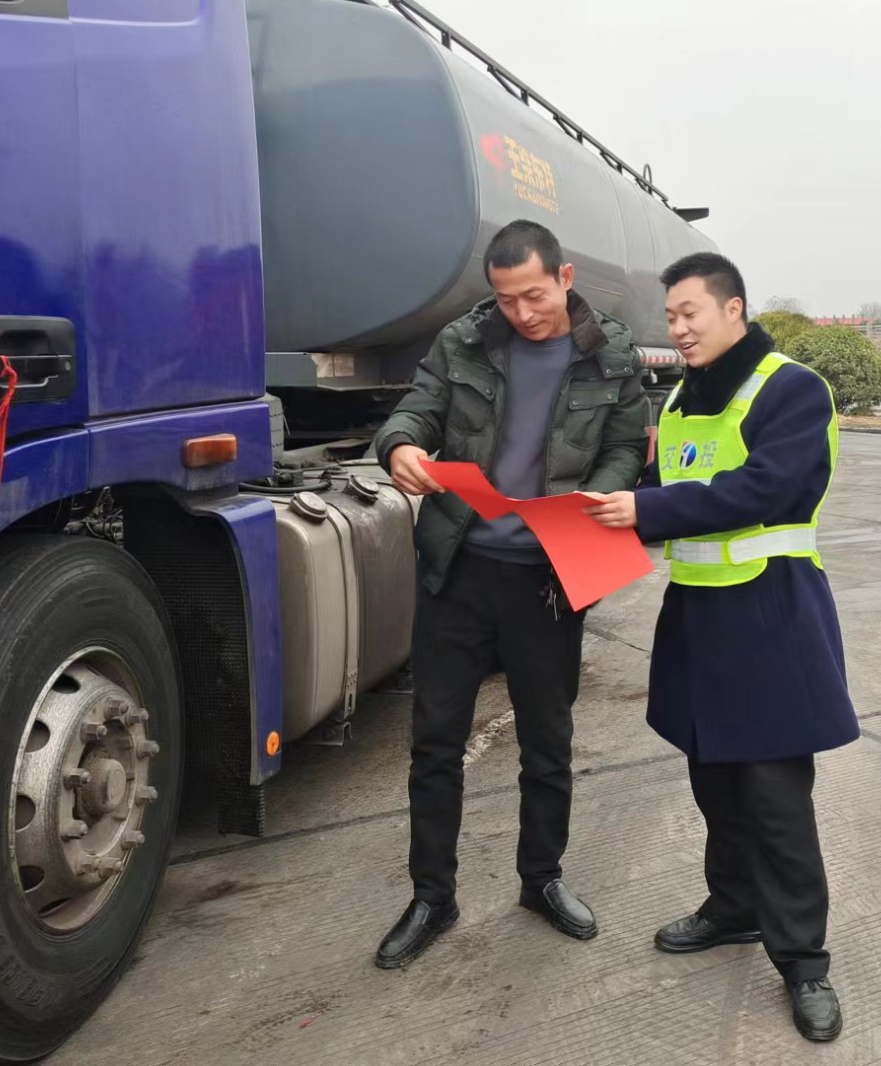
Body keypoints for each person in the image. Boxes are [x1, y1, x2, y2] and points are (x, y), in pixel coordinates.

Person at [585, 252, 859, 1042]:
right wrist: (601, 509)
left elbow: (765, 488)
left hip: (770, 613)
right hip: (699, 617)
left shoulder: (791, 389)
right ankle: (734, 907)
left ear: (733, 309)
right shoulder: (681, 399)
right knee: (714, 783)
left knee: (775, 798)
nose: (678, 328)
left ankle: (803, 961)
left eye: (690, 313)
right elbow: (660, 487)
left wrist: (646, 511)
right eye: (670, 316)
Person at [372, 219, 650, 968]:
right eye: (506, 299)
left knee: (547, 742)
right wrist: (401, 444)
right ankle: (432, 895)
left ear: (564, 277)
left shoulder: (612, 355)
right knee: (436, 742)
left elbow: (627, 445)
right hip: (459, 570)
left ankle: (542, 878)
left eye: (534, 295)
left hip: (549, 578)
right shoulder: (463, 342)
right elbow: (418, 408)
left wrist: (598, 494)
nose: (522, 313)